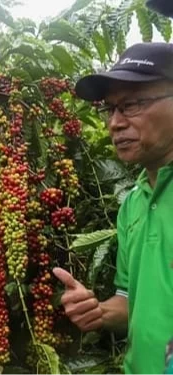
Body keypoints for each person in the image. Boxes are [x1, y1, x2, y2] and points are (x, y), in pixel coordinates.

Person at [53, 42, 173, 374]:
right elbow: (131, 301)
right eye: (110, 109)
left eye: (132, 104)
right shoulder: (133, 204)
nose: (115, 123)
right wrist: (99, 312)